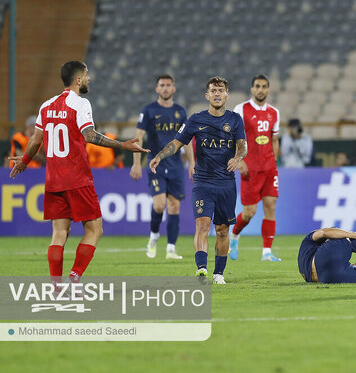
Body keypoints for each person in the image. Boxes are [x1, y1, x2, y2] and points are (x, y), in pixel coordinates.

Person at [9, 61, 148, 284]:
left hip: (53, 180)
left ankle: (56, 285)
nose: (89, 78)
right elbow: (89, 135)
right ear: (78, 80)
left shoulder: (46, 106)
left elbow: (36, 140)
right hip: (77, 178)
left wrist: (25, 160)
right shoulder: (80, 104)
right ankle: (74, 278)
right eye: (86, 74)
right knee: (95, 229)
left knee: (59, 233)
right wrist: (123, 145)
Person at [149, 76, 246, 285]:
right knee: (202, 225)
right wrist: (159, 155)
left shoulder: (235, 120)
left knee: (222, 230)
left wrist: (238, 158)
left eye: (221, 90)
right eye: (213, 90)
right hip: (203, 182)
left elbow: (242, 145)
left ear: (227, 95)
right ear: (207, 95)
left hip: (226, 183)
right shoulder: (195, 119)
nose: (217, 94)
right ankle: (201, 268)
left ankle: (218, 273)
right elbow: (176, 143)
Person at [130, 75, 195, 260]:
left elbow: (187, 140)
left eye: (168, 85)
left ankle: (171, 249)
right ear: (157, 89)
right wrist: (136, 163)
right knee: (159, 205)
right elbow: (138, 137)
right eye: (162, 85)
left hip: (176, 165)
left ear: (173, 89)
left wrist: (192, 164)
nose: (165, 88)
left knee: (174, 206)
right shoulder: (149, 110)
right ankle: (153, 237)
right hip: (155, 163)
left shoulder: (180, 111)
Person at [228, 74, 281, 262]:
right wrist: (238, 159)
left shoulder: (274, 112)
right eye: (257, 86)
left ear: (268, 89)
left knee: (270, 206)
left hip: (269, 169)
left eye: (264, 86)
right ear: (252, 89)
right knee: (250, 212)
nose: (261, 89)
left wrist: (275, 161)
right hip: (249, 168)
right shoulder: (241, 109)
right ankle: (234, 236)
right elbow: (234, 137)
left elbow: (274, 139)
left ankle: (267, 252)